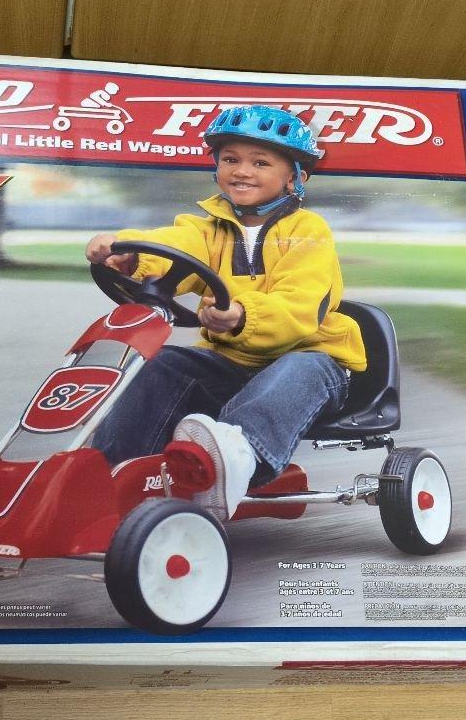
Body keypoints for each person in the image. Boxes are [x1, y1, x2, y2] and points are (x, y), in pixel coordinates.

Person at [85, 105, 366, 521]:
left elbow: (301, 304)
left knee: (297, 369)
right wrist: (129, 253)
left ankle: (235, 458)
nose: (242, 171)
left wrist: (241, 316)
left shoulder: (308, 231)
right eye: (231, 159)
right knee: (165, 363)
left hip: (313, 362)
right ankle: (111, 472)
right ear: (216, 167)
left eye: (260, 163)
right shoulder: (208, 229)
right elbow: (176, 244)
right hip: (231, 365)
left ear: (295, 178)